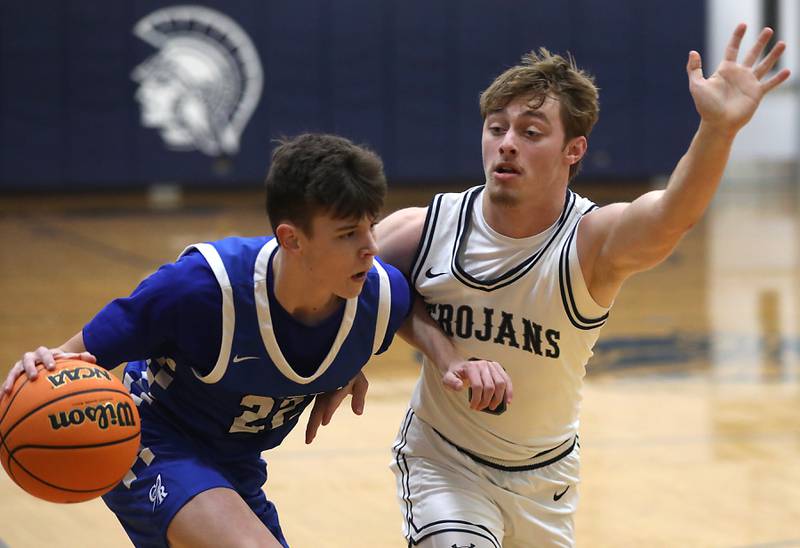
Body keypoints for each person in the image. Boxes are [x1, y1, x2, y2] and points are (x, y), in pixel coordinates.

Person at [375, 24, 790, 547]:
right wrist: (347, 364)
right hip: (443, 462)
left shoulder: (589, 244)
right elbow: (347, 289)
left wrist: (718, 132)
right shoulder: (426, 229)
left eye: (530, 132)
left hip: (545, 480)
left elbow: (671, 216)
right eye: (496, 127)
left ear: (574, 150)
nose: (506, 144)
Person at [1, 133, 509, 547]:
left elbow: (406, 310)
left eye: (371, 227)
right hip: (152, 441)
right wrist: (44, 367)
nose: (370, 248)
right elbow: (74, 357)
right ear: (292, 238)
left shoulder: (375, 298)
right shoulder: (199, 289)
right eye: (347, 234)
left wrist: (440, 356)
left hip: (238, 467)